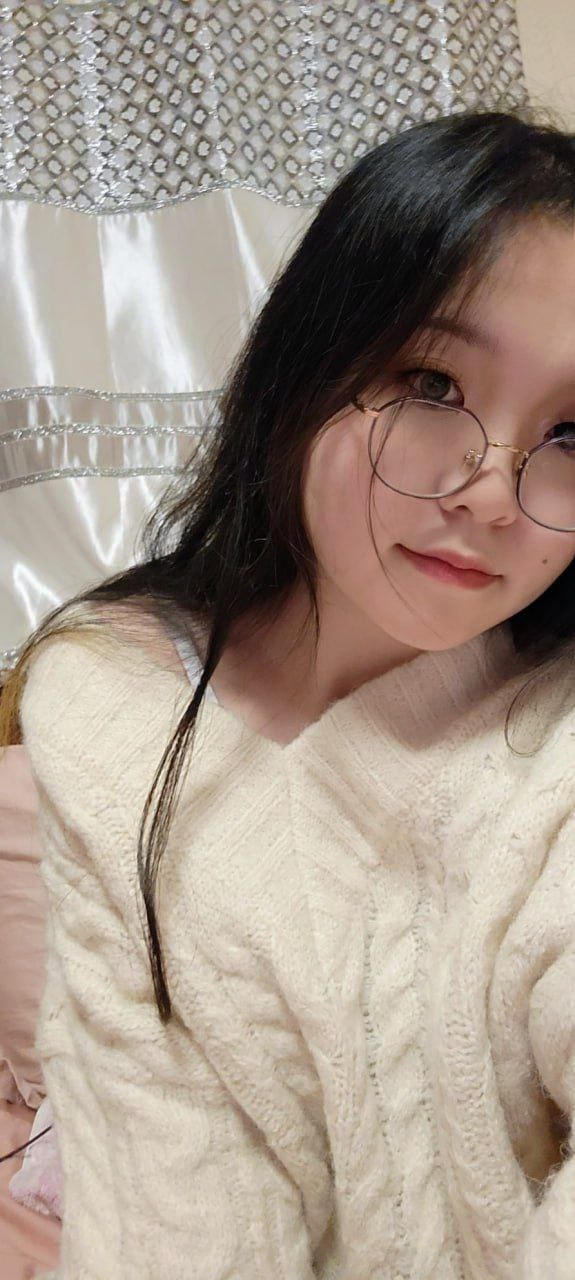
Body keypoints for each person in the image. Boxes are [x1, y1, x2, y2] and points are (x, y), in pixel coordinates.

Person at [2, 103, 575, 1279]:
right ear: (308, 362)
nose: (491, 489)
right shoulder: (110, 700)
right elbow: (160, 1177)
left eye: (574, 434)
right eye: (431, 381)